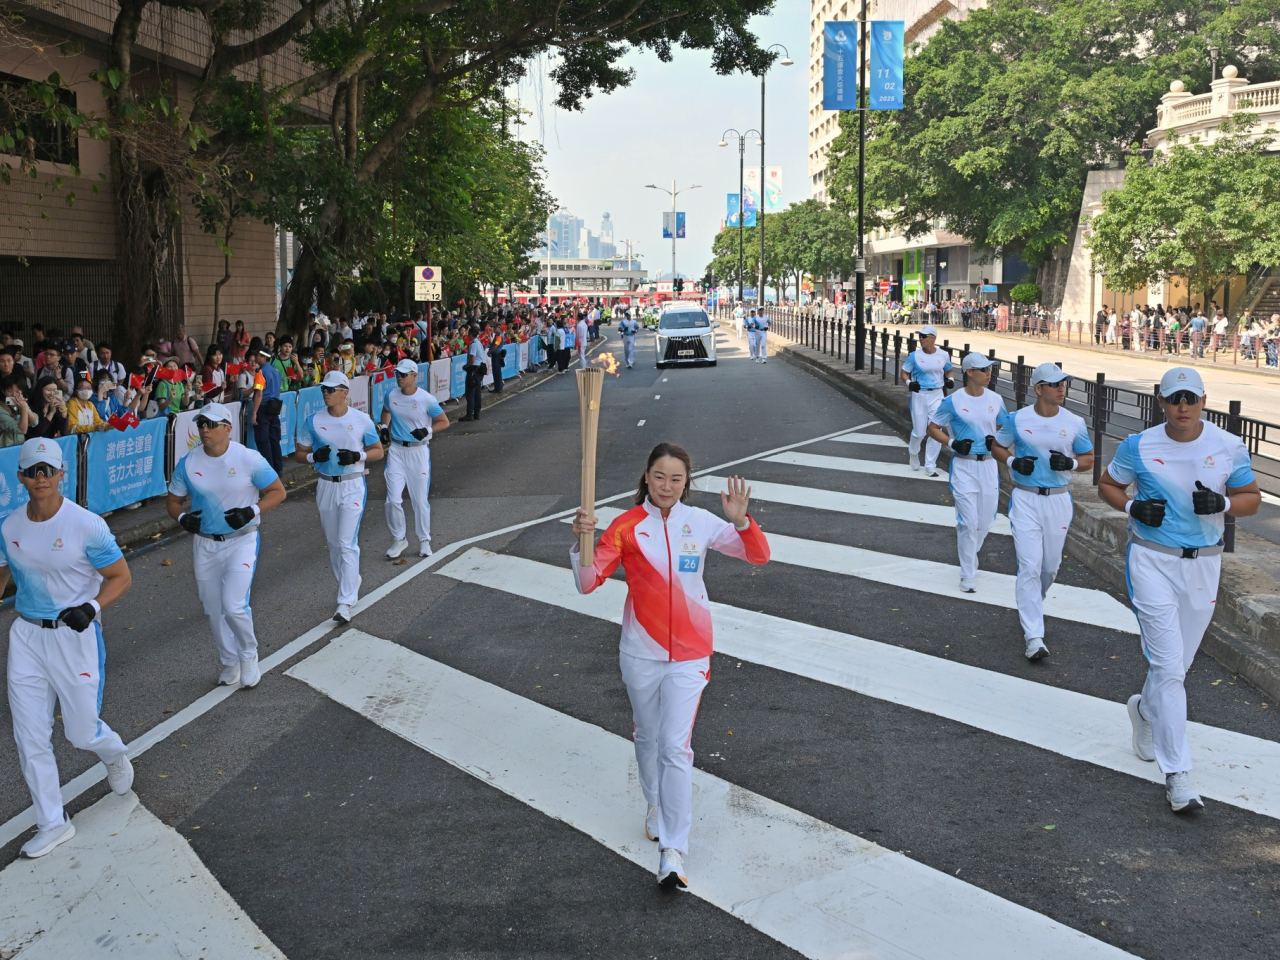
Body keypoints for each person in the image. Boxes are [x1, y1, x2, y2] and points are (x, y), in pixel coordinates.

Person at [570, 444, 769, 890]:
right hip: (640, 652)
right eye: (659, 476)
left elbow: (758, 555)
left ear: (687, 482)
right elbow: (586, 584)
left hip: (692, 653)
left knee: (676, 748)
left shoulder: (699, 523)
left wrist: (741, 521)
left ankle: (673, 851)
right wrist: (582, 542)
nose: (667, 486)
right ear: (646, 476)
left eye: (676, 478)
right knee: (648, 735)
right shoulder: (625, 526)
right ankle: (655, 805)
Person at [1098, 368, 1260, 812]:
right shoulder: (1140, 445)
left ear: (1204, 400)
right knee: (1169, 667)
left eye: (1190, 398)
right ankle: (1178, 773)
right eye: (1174, 399)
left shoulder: (1227, 445)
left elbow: (1251, 497)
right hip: (1151, 560)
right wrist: (1133, 506)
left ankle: (1146, 712)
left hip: (1204, 565)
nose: (1182, 407)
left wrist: (1224, 504)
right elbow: (1108, 485)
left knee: (1178, 667)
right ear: (1161, 400)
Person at [2, 438, 134, 859]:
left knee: (80, 732)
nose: (40, 478)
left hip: (74, 636)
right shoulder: (9, 525)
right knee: (30, 736)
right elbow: (5, 571)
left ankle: (112, 752)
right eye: (32, 471)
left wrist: (92, 607)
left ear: (62, 475)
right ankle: (53, 823)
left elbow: (121, 577)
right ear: (21, 476)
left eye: (48, 470)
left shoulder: (86, 524)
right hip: (26, 636)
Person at [167, 403, 287, 688]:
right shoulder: (188, 462)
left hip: (241, 541)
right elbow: (173, 502)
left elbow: (278, 491)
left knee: (233, 606)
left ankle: (248, 655)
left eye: (211, 424)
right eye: (201, 424)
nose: (204, 430)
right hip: (205, 544)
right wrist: (183, 518)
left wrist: (252, 512)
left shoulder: (248, 458)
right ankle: (230, 661)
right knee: (212, 609)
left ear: (228, 428)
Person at [993, 362, 1095, 661]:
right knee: (1029, 565)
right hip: (1025, 499)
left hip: (1059, 500)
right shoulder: (1017, 419)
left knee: (1049, 568)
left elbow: (1088, 457)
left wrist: (1071, 464)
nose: (1061, 388)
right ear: (1039, 389)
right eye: (1054, 384)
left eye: (1063, 383)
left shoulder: (1074, 422)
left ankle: (1032, 604)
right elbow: (998, 446)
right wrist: (1012, 462)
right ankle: (1034, 636)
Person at [294, 371, 383, 622]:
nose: (326, 393)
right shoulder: (312, 421)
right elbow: (299, 454)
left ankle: (345, 602)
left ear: (345, 392)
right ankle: (351, 580)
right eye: (324, 389)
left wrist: (358, 456)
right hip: (325, 486)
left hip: (353, 485)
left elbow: (378, 451)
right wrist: (312, 457)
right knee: (334, 545)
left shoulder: (362, 419)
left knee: (346, 543)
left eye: (332, 389)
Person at [926, 353, 1010, 592]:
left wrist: (999, 440)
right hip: (963, 465)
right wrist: (952, 444)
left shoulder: (996, 399)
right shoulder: (953, 401)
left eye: (990, 369)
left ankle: (969, 553)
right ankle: (967, 574)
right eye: (983, 369)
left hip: (989, 466)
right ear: (970, 372)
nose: (989, 373)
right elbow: (933, 427)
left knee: (985, 522)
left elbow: (1004, 427)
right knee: (968, 523)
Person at [381, 359, 450, 559]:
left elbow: (444, 422)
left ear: (414, 376)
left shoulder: (427, 399)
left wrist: (427, 431)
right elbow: (386, 411)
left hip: (418, 453)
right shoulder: (391, 394)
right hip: (396, 450)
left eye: (403, 375)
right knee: (392, 499)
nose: (399, 378)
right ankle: (399, 539)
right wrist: (384, 428)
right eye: (397, 374)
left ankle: (424, 541)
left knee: (419, 501)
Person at [900, 324, 954, 477]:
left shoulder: (943, 355)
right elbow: (904, 373)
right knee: (919, 432)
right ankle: (913, 453)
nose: (921, 339)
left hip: (937, 395)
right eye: (920, 336)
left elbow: (949, 370)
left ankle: (930, 465)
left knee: (935, 430)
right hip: (919, 395)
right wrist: (910, 383)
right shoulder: (914, 356)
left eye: (923, 336)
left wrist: (950, 379)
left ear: (933, 338)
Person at [250, 348, 285, 475]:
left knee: (263, 440)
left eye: (258, 356)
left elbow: (259, 392)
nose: (255, 358)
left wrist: (254, 412)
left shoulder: (260, 372)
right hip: (275, 407)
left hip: (263, 407)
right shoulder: (275, 372)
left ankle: (268, 470)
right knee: (274, 439)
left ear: (263, 357)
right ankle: (278, 467)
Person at [460, 324, 487, 422]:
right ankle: (477, 412)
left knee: (470, 392)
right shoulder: (479, 343)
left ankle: (470, 413)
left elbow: (472, 359)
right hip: (479, 369)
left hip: (473, 369)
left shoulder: (473, 345)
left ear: (471, 334)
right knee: (477, 391)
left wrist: (465, 366)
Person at [0, 375, 33, 446]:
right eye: (10, 391)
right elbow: (22, 430)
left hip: (19, 446)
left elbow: (35, 421)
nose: (14, 395)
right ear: (3, 391)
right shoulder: (1, 409)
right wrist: (24, 409)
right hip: (4, 448)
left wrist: (25, 406)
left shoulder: (21, 405)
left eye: (17, 391)